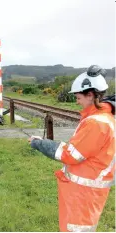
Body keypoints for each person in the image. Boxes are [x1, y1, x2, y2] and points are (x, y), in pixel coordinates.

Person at [28, 65, 115, 232]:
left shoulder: (96, 123)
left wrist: (39, 143)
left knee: (76, 229)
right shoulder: (102, 118)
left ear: (90, 95)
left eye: (78, 97)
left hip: (84, 194)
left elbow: (71, 155)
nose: (77, 102)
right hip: (86, 190)